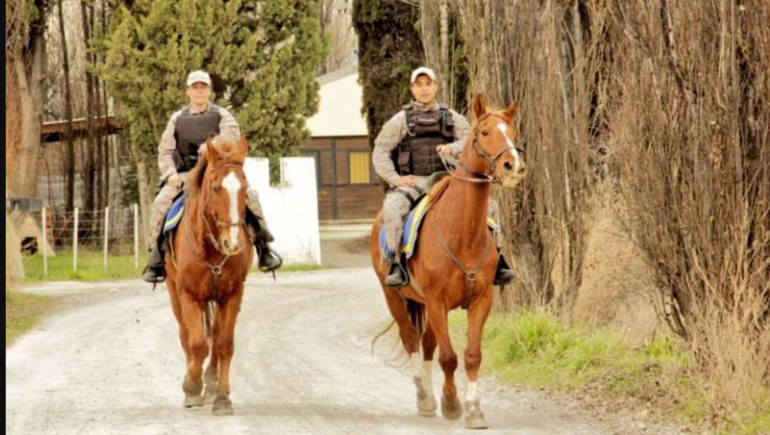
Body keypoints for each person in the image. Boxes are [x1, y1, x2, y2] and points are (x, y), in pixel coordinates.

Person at [372, 67, 515, 288]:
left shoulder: (452, 117)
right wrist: (395, 178)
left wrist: (452, 148)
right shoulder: (400, 121)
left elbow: (471, 140)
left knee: (491, 206)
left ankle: (498, 260)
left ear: (436, 87)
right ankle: (397, 263)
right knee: (393, 208)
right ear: (412, 89)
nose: (424, 89)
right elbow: (380, 150)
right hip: (414, 182)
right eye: (419, 85)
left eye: (428, 84)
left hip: (448, 180)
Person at [142, 70, 282, 284]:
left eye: (203, 87)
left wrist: (211, 146)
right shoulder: (177, 118)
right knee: (161, 203)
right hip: (185, 175)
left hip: (217, 172)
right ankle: (156, 258)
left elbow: (232, 136)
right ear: (188, 91)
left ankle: (264, 248)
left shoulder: (222, 115)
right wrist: (170, 174)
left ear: (209, 90)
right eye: (195, 87)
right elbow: (165, 150)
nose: (199, 91)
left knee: (250, 197)